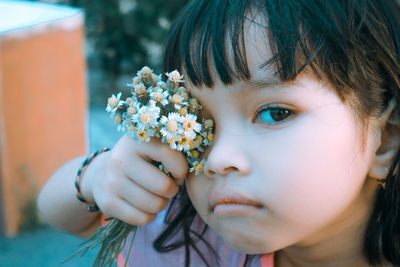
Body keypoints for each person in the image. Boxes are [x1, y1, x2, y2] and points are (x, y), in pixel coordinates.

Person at [38, 0, 400, 266]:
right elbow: (56, 211)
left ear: (385, 139)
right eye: (198, 123)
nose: (217, 158)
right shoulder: (193, 237)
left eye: (275, 113)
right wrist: (98, 176)